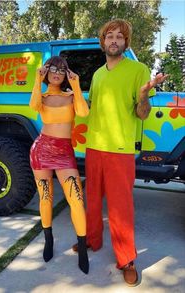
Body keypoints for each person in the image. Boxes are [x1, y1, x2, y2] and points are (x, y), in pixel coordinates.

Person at [72, 19, 168, 285]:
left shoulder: (138, 70)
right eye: (109, 36)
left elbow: (142, 113)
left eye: (119, 37)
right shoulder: (98, 74)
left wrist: (145, 94)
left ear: (126, 42)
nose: (114, 40)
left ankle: (126, 259)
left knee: (120, 207)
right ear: (103, 42)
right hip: (94, 146)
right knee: (92, 198)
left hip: (120, 149)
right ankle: (92, 240)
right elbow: (91, 108)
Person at [29, 56, 89, 274]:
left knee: (76, 199)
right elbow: (33, 106)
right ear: (46, 72)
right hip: (41, 150)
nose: (56, 72)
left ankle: (82, 248)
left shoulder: (72, 96)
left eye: (61, 70)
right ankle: (48, 239)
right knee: (45, 198)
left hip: (64, 152)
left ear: (66, 74)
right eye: (52, 68)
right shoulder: (42, 96)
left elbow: (83, 113)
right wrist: (37, 80)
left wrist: (76, 85)